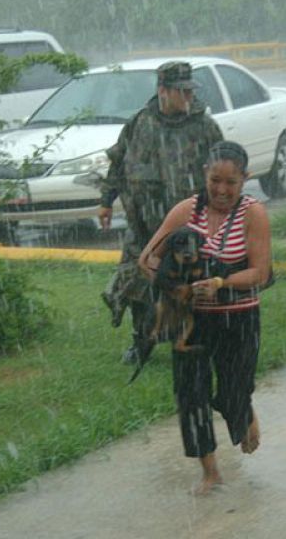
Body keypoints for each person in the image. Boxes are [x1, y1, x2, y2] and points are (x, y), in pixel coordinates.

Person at [138, 141, 271, 495]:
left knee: (233, 391)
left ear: (246, 179)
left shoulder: (253, 213)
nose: (222, 190)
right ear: (204, 176)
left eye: (231, 182)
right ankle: (210, 472)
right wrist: (176, 289)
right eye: (215, 180)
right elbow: (147, 260)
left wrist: (221, 281)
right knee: (191, 395)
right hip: (191, 323)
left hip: (239, 318)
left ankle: (241, 408)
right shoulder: (185, 211)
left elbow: (259, 272)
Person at [99, 61, 223, 364]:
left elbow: (224, 171)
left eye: (190, 91)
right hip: (144, 227)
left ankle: (195, 339)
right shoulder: (139, 124)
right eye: (181, 91)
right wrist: (106, 200)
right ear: (163, 91)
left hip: (189, 229)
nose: (188, 97)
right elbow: (118, 164)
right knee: (136, 284)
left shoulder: (204, 127)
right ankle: (142, 341)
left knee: (191, 284)